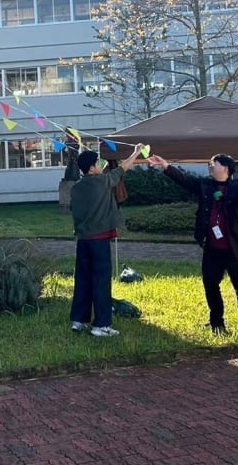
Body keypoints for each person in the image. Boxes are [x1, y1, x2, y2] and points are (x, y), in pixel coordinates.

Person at [148, 152, 238, 334]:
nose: (210, 166)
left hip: (235, 249)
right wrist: (166, 166)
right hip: (212, 248)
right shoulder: (206, 185)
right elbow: (185, 181)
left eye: (213, 163)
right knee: (210, 284)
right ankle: (217, 323)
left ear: (225, 168)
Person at [69, 143, 144, 337]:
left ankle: (78, 320)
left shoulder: (76, 188)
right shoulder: (102, 181)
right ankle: (101, 325)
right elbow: (123, 168)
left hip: (83, 240)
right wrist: (136, 151)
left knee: (83, 279)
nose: (100, 164)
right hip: (99, 240)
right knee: (101, 281)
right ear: (91, 168)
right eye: (97, 162)